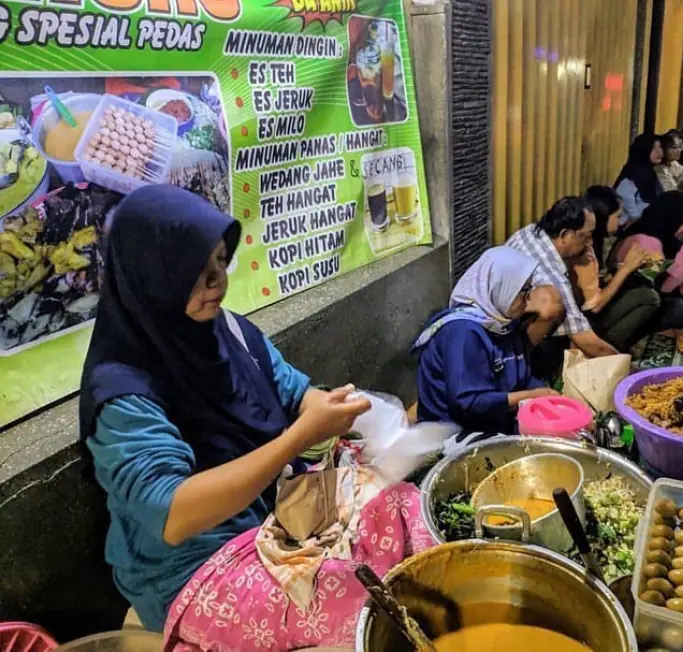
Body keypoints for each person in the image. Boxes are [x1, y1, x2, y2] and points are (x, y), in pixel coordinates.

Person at [80, 185, 432, 649]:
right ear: (150, 278)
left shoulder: (223, 328)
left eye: (221, 262)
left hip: (272, 511)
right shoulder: (123, 391)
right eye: (196, 273)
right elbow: (174, 514)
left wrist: (333, 409)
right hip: (194, 565)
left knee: (409, 514)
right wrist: (297, 438)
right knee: (368, 606)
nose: (217, 283)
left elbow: (291, 389)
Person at [414, 247, 559, 435]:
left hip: (493, 419)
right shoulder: (464, 332)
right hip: (452, 431)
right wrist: (530, 396)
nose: (529, 297)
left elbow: (520, 375)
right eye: (523, 290)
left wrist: (548, 397)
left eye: (529, 289)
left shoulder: (502, 322)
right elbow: (467, 403)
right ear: (501, 287)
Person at [505, 196, 620, 365]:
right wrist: (626, 367)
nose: (589, 244)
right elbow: (585, 339)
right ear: (564, 235)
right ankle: (519, 365)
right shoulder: (550, 275)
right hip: (500, 335)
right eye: (586, 237)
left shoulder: (531, 232)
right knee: (557, 312)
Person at [608, 191, 683, 331]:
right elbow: (664, 288)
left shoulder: (659, 232)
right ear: (673, 217)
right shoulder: (646, 242)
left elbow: (673, 275)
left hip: (652, 294)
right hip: (633, 306)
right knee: (679, 311)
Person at [578, 185, 661, 350]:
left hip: (586, 311)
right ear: (602, 217)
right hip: (581, 323)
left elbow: (591, 282)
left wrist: (615, 272)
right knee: (649, 297)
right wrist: (625, 269)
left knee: (638, 285)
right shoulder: (583, 247)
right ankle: (606, 349)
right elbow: (593, 306)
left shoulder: (596, 240)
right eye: (618, 216)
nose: (622, 221)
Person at [614, 133, 664, 225]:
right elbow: (633, 214)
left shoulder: (651, 173)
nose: (659, 151)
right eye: (653, 147)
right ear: (643, 149)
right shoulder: (632, 175)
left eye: (660, 146)